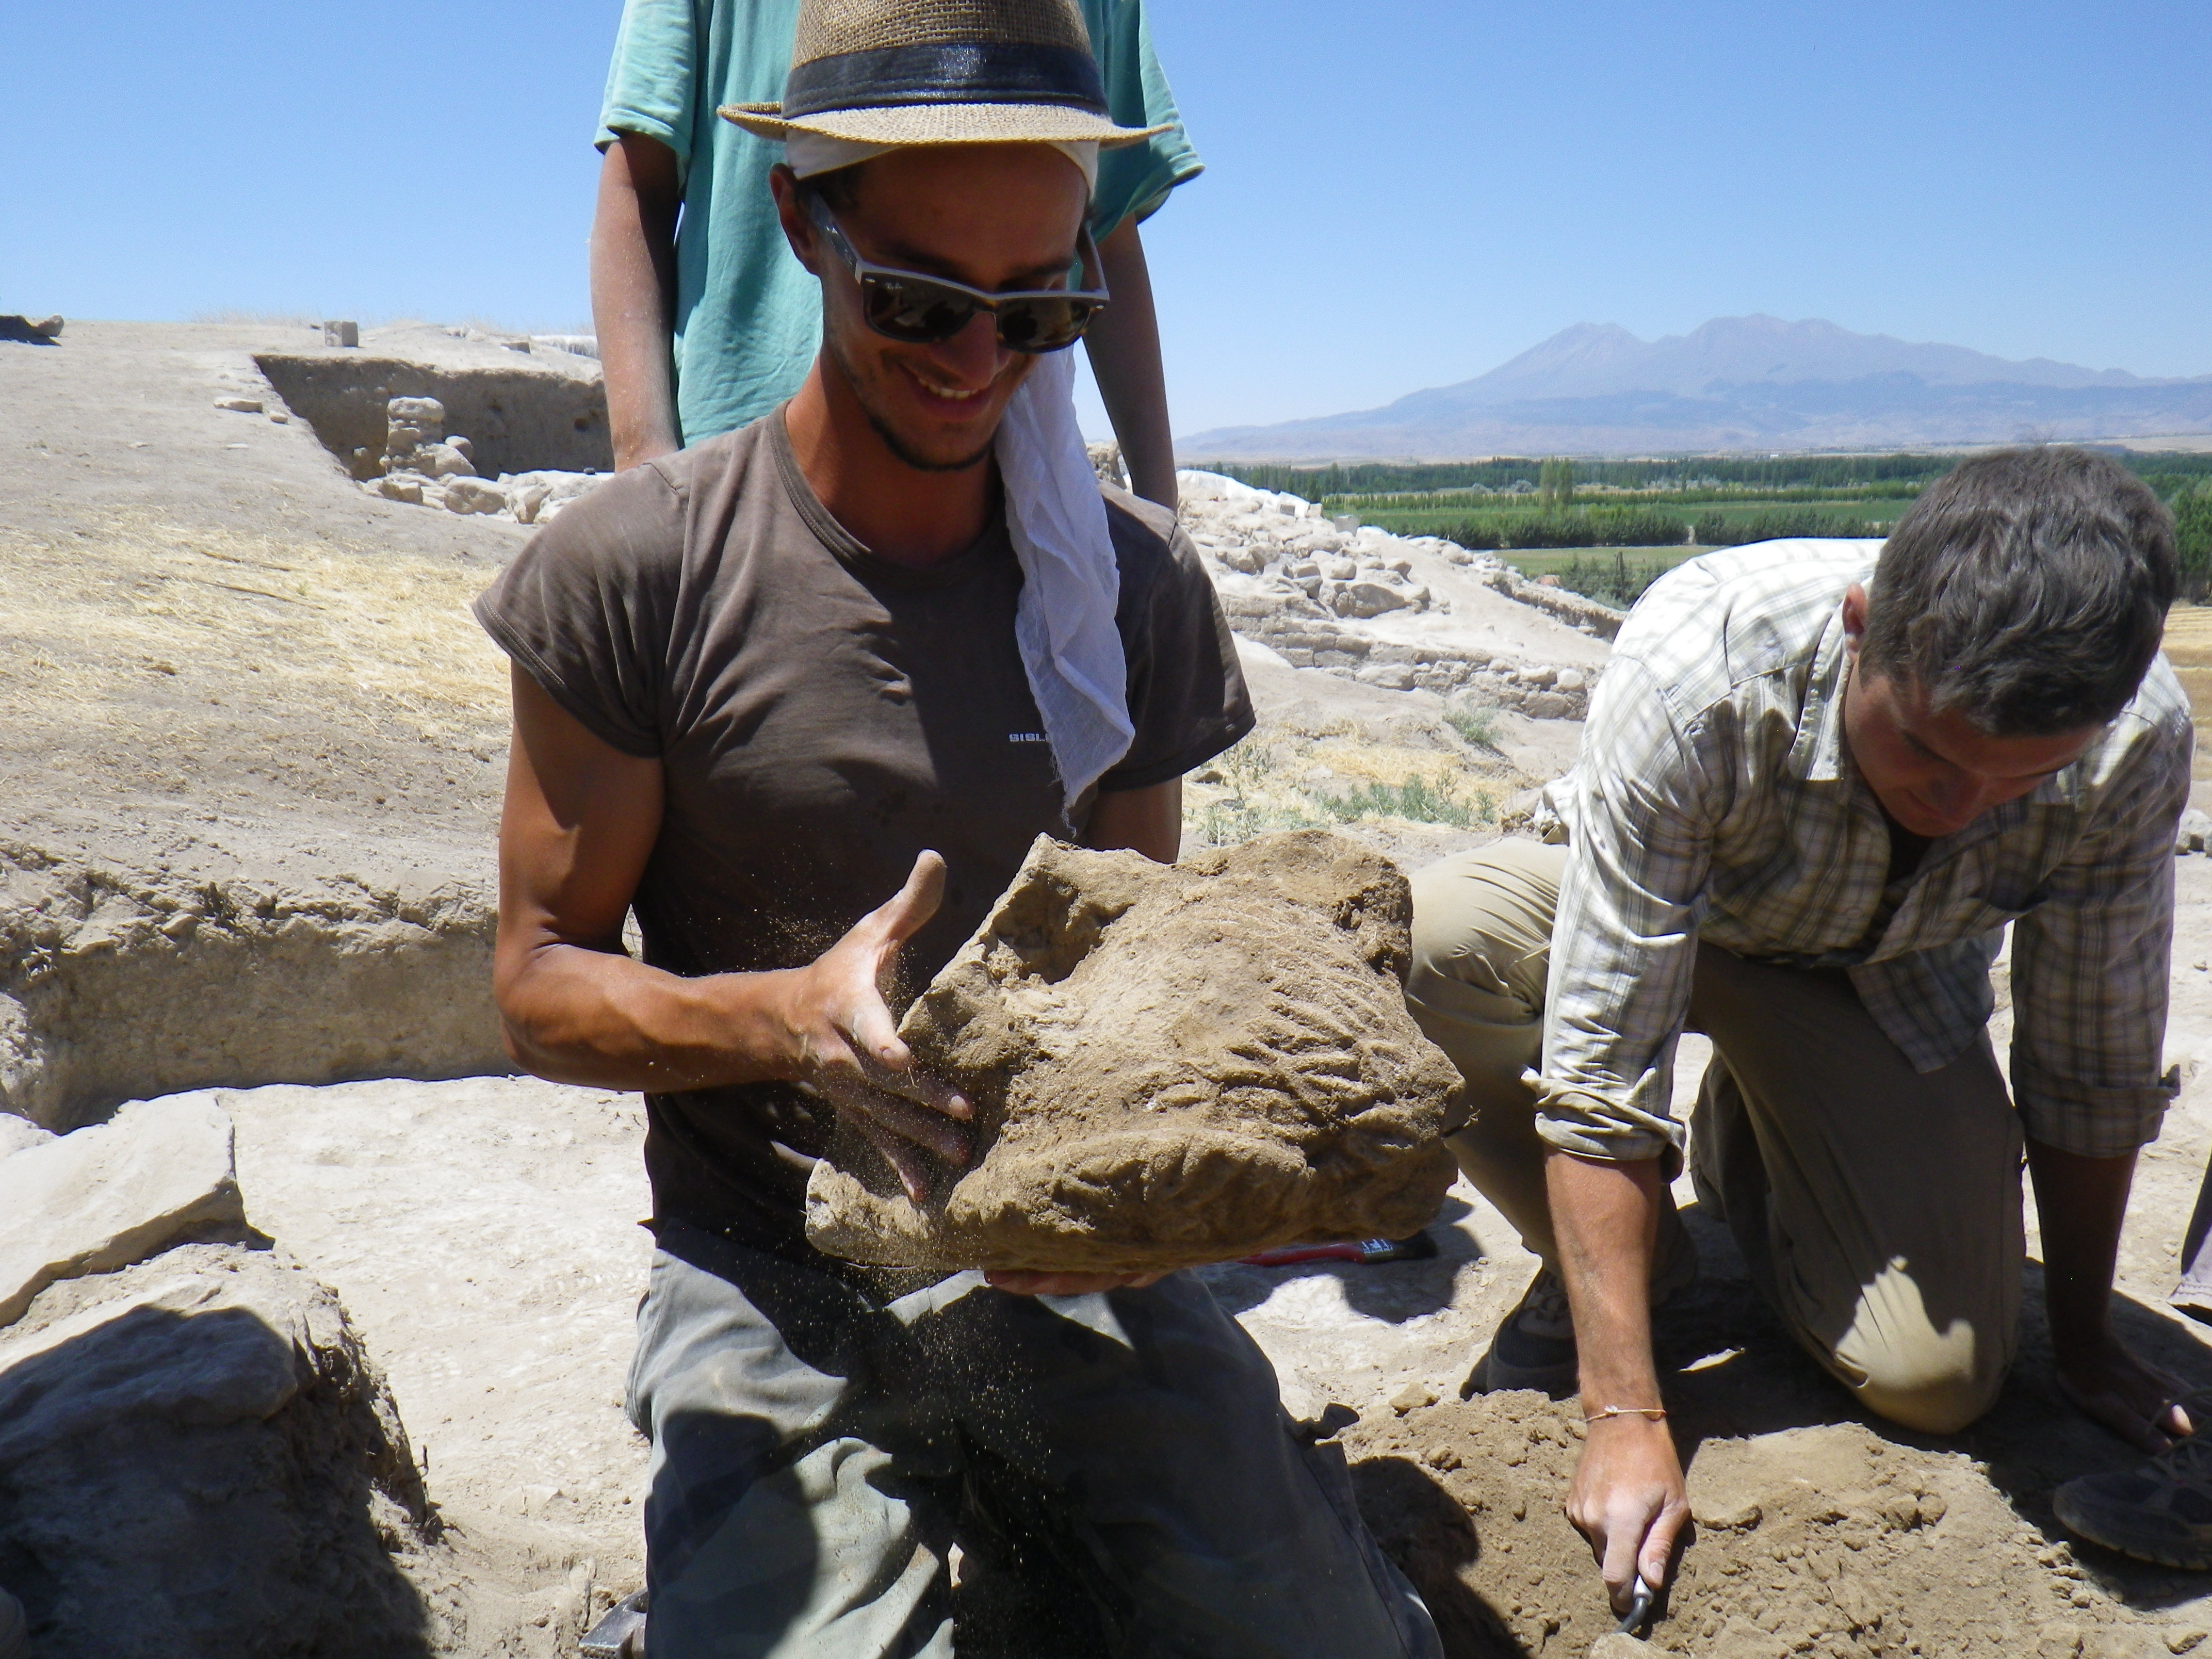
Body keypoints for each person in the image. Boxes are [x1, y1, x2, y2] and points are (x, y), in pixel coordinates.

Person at [475, 1, 1442, 1652]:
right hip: (769, 1266)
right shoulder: (640, 572)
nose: (979, 361)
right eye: (920, 300)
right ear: (803, 225)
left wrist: (1238, 1162)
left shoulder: (1124, 594)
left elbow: (1156, 969)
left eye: (1040, 307)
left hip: (1066, 1263)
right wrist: (773, 1021)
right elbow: (541, 985)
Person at [1403, 446, 2193, 1615]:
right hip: (1668, 915)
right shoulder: (1701, 668)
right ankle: (1639, 1277)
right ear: (1862, 624)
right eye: (1924, 750)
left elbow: (2088, 1056)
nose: (1957, 804)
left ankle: (1752, 1141)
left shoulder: (2130, 742)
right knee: (1431, 940)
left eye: (2018, 779)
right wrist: (1622, 1411)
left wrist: (2077, 1335)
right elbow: (1600, 1066)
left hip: (1876, 980)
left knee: (1933, 1383)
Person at [590, 0, 1195, 508]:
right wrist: (645, 466)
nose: (975, 361)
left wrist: (1161, 518)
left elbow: (1105, 225)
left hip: (1007, 498)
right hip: (733, 470)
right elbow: (639, 184)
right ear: (797, 220)